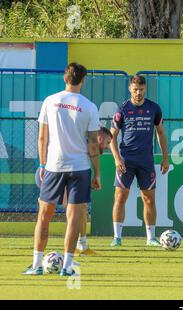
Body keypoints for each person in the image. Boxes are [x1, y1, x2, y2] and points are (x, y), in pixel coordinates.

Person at [23, 62, 101, 276]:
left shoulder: (51, 101)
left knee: (44, 216)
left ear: (65, 78)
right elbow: (93, 144)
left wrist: (41, 164)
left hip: (54, 166)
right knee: (74, 218)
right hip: (80, 167)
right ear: (83, 81)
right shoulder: (90, 106)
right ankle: (67, 267)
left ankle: (37, 265)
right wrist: (97, 173)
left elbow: (42, 137)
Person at [110, 75, 169, 247]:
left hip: (146, 161)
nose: (138, 93)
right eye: (135, 89)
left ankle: (151, 238)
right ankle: (117, 237)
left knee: (149, 199)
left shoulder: (154, 108)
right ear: (130, 89)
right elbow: (111, 137)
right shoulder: (122, 110)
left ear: (145, 89)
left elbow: (161, 133)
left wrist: (165, 157)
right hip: (126, 160)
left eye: (141, 89)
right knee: (120, 197)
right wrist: (116, 158)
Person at [34, 127, 112, 256]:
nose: (108, 147)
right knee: (73, 210)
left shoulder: (85, 145)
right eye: (108, 142)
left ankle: (81, 246)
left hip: (59, 174)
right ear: (100, 138)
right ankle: (73, 249)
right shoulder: (84, 144)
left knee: (81, 208)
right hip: (50, 174)